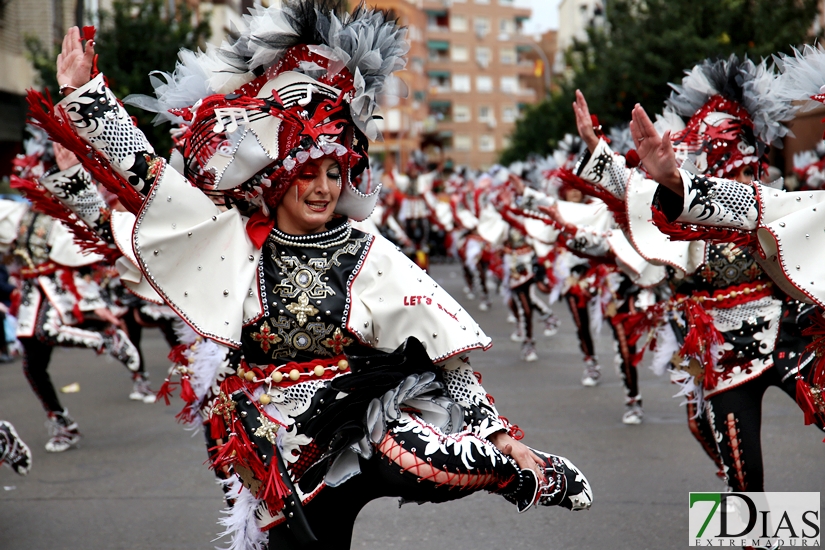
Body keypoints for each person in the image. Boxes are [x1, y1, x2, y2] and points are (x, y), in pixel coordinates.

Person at [41, 3, 592, 548]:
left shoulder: (367, 251)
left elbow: (447, 350)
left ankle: (528, 475)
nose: (325, 187)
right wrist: (85, 97)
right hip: (265, 444)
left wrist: (505, 443)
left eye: (335, 172)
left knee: (417, 460)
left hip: (354, 430)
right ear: (278, 177)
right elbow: (149, 182)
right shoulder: (233, 242)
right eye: (308, 172)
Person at [571, 55, 824, 494]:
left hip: (791, 338)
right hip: (724, 356)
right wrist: (598, 149)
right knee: (743, 485)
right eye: (738, 168)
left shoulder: (769, 201)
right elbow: (637, 194)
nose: (748, 176)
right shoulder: (689, 212)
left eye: (751, 167)